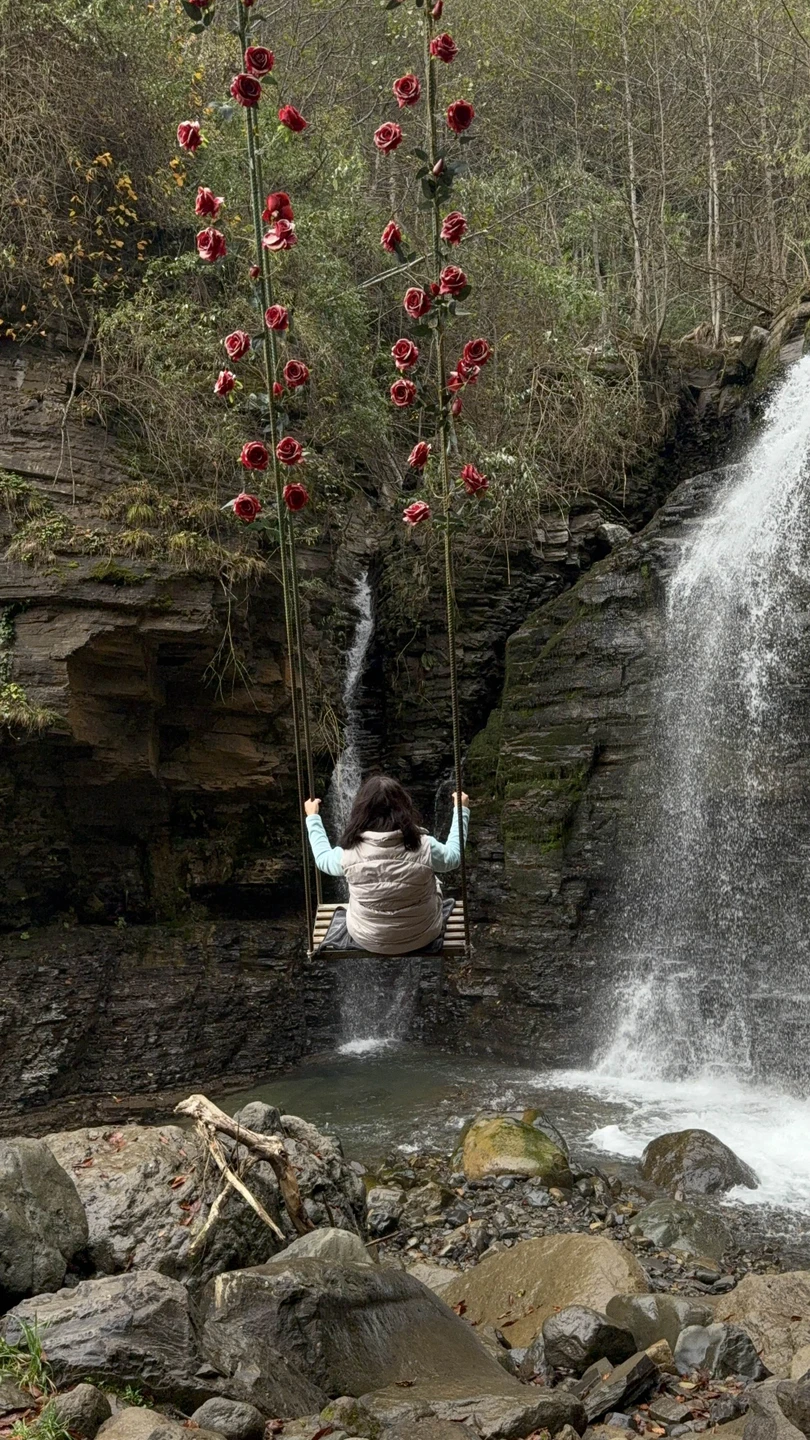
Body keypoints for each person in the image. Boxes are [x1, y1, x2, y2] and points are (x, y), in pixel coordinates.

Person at [304, 775, 469, 956]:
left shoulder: (349, 852)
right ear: (405, 807)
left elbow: (322, 860)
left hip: (367, 938)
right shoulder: (425, 846)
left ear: (360, 810)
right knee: (433, 882)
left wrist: (313, 818)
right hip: (423, 935)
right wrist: (461, 811)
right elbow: (454, 857)